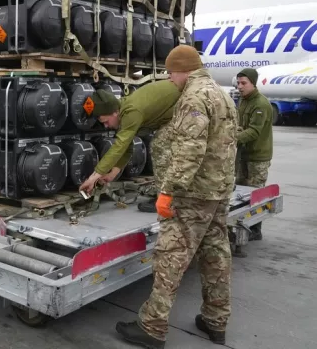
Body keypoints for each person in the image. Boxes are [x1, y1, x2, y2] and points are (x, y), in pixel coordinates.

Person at [116, 45, 238, 348]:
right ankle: (216, 320)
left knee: (171, 258)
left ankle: (152, 327)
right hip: (218, 190)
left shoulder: (194, 97)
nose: (171, 80)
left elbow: (190, 150)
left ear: (183, 69)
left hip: (193, 194)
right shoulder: (222, 94)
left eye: (171, 73)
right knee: (216, 255)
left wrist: (168, 191)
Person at [78, 80, 181, 212]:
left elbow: (120, 146)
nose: (106, 126)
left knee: (160, 147)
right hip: (174, 113)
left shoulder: (131, 111)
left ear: (115, 112)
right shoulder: (124, 110)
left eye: (106, 121)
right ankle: (168, 196)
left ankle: (168, 199)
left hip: (187, 108)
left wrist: (93, 177)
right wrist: (112, 174)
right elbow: (127, 145)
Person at [235, 68, 273, 242]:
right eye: (238, 83)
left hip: (258, 157)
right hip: (244, 154)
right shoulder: (244, 101)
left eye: (244, 83)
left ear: (253, 83)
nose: (240, 87)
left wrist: (231, 139)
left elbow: (254, 132)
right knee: (241, 193)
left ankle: (256, 229)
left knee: (255, 194)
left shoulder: (260, 104)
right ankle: (242, 226)